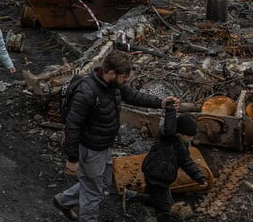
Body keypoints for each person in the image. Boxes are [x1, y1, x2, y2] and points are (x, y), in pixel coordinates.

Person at [53, 50, 180, 222]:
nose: (127, 80)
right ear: (111, 73)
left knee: (104, 182)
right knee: (93, 195)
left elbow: (134, 96)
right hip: (90, 150)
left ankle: (63, 201)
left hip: (104, 146)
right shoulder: (87, 92)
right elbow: (72, 125)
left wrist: (160, 103)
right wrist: (73, 158)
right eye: (124, 76)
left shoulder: (115, 86)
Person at [122, 106, 208, 222]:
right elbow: (169, 128)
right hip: (155, 176)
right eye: (190, 135)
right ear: (180, 132)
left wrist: (199, 177)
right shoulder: (167, 136)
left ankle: (131, 196)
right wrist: (171, 110)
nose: (192, 138)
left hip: (163, 178)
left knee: (156, 201)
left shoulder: (182, 144)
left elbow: (186, 161)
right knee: (167, 210)